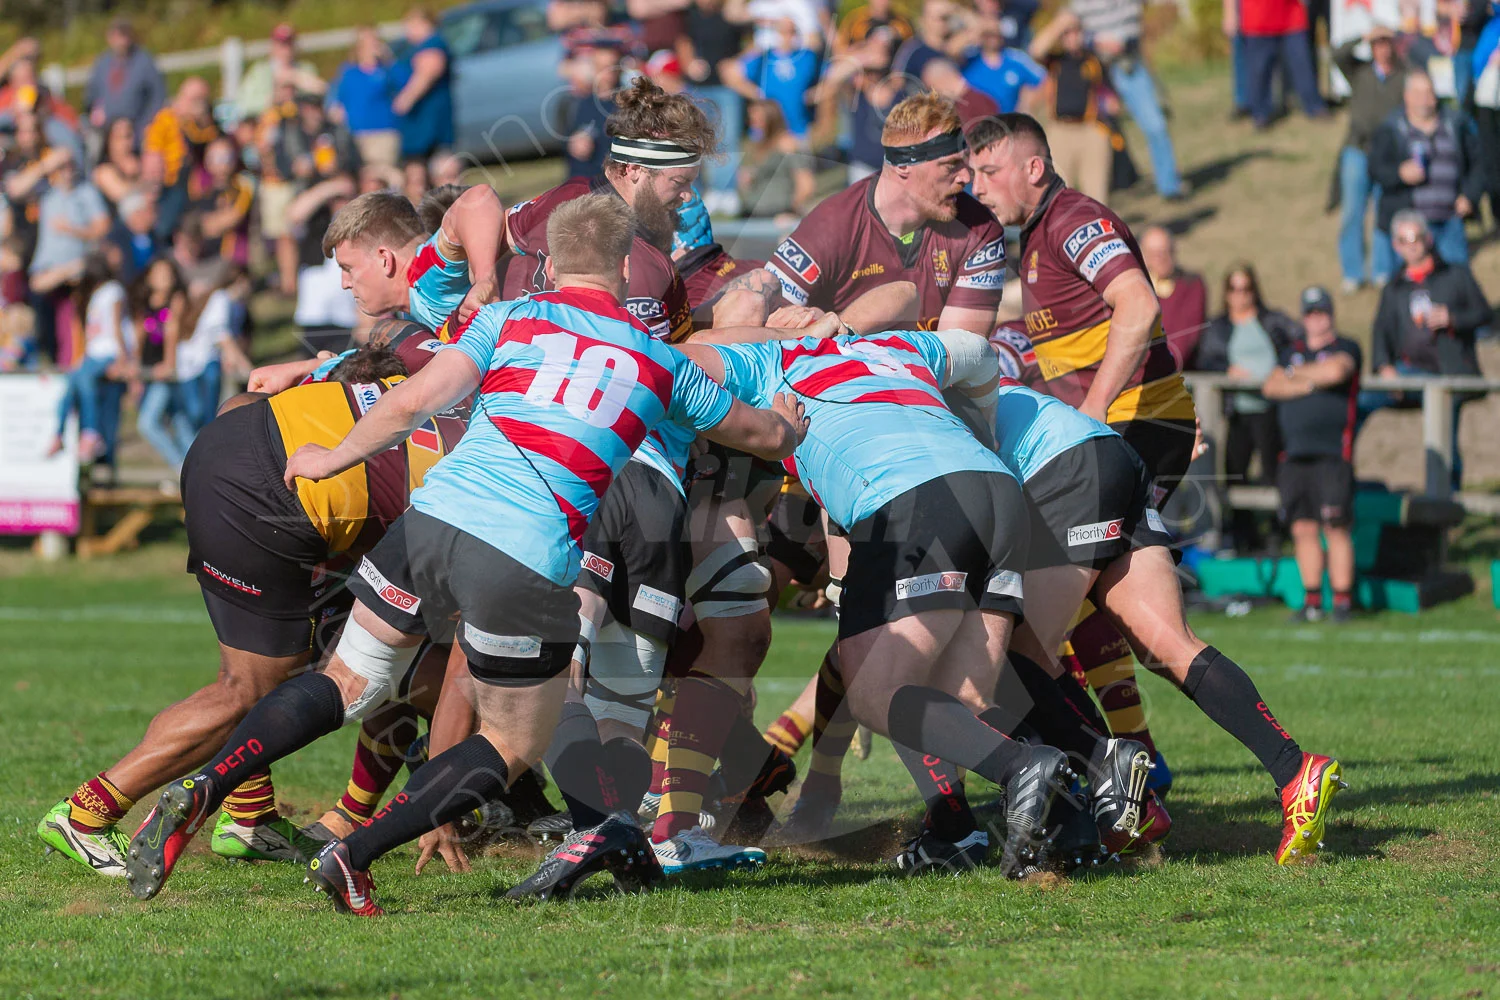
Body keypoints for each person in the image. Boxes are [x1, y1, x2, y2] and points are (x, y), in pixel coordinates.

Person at [127, 193, 803, 910]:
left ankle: (208, 785)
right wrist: (786, 423)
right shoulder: (659, 360)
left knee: (346, 683)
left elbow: (413, 400)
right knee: (514, 740)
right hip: (519, 551)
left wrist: (332, 458)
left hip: (428, 521)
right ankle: (353, 855)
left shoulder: (507, 319)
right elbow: (758, 436)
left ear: (546, 266)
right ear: (625, 275)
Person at [39, 189, 496, 882]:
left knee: (301, 669)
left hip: (249, 456)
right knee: (249, 691)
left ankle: (249, 815)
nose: (344, 284)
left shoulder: (444, 354)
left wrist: (311, 371)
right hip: (269, 492)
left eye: (348, 269)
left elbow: (389, 348)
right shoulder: (480, 410)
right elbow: (460, 667)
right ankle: (86, 812)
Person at [676, 327, 1085, 878]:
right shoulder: (896, 344)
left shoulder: (764, 360)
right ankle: (1079, 803)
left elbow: (670, 357)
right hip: (996, 488)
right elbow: (979, 350)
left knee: (875, 690)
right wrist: (983, 423)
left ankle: (1022, 767)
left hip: (915, 499)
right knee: (961, 700)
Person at [968, 112, 1194, 775]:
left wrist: (1095, 415)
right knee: (1093, 609)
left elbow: (1139, 304)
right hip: (1124, 431)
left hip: (1126, 432)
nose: (980, 186)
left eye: (990, 171)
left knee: (1031, 631)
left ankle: (1105, 771)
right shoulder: (1037, 236)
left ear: (1033, 168)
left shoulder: (1072, 220)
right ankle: (1131, 762)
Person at [764, 92, 1008, 337]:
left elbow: (959, 355)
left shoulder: (980, 231)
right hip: (842, 371)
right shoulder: (832, 224)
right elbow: (768, 323)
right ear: (903, 165)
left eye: (964, 163)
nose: (966, 177)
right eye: (950, 165)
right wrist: (809, 321)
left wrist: (844, 328)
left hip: (926, 373)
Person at [1363, 210, 1493, 490]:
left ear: (1428, 239)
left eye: (1416, 238)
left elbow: (1485, 314)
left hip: (1450, 373)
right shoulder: (1394, 287)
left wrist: (1453, 318)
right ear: (1395, 245)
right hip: (1407, 374)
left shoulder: (1455, 275)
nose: (1411, 245)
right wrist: (1384, 366)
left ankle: (1447, 503)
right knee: (1358, 401)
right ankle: (1337, 478)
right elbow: (1380, 331)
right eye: (1403, 240)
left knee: (1443, 436)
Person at [1262, 287, 1362, 624]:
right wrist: (1309, 381)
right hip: (1293, 454)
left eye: (1321, 312)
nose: (1316, 318)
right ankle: (1313, 600)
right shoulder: (1291, 351)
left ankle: (1344, 601)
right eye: (1310, 313)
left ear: (1331, 314)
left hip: (1333, 453)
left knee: (1335, 526)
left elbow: (1336, 371)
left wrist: (1297, 376)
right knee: (1303, 528)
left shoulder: (1345, 347)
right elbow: (1271, 385)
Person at [1195, 264, 1297, 554]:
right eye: (1235, 288)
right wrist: (1227, 370)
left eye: (1246, 288)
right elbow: (1206, 359)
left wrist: (1282, 370)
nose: (1241, 295)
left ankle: (1277, 532)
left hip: (1270, 407)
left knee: (1272, 471)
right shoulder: (1219, 327)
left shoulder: (1272, 320)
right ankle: (1241, 534)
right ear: (1226, 293)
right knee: (1234, 470)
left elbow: (1296, 345)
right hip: (1238, 408)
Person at [1368, 71, 1484, 269]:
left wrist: (1469, 196)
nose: (1426, 99)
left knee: (1455, 285)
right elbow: (1375, 169)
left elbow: (1479, 164)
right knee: (1411, 289)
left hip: (1450, 221)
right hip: (1411, 227)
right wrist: (1399, 173)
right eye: (1418, 94)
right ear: (1407, 96)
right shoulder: (1391, 129)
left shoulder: (1455, 124)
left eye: (1429, 93)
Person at [1071, 0, 1184, 199]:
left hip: (1129, 66)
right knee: (1100, 133)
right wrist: (1096, 42)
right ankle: (1108, 187)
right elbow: (1071, 30)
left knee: (1155, 125)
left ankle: (1169, 186)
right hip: (1096, 71)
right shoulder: (1081, 4)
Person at [1333, 26, 1409, 291]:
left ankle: (1382, 269)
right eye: (1377, 44)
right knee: (1353, 212)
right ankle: (1353, 272)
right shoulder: (1360, 71)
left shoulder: (1403, 74)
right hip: (1358, 150)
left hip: (1388, 154)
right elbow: (1338, 53)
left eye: (1386, 42)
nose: (1383, 49)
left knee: (1383, 212)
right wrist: (1362, 35)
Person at [27, 148, 111, 366]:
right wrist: (47, 163)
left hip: (75, 273)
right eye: (61, 167)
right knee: (41, 322)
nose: (66, 171)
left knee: (70, 326)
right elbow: (14, 188)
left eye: (69, 165)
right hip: (45, 271)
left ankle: (69, 367)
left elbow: (102, 227)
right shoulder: (46, 193)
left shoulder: (86, 193)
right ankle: (45, 359)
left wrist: (72, 229)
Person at [48, 255, 132, 462]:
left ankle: (91, 432)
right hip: (94, 352)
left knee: (84, 381)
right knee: (69, 385)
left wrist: (123, 358)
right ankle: (58, 433)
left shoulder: (113, 290)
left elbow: (115, 325)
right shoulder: (95, 294)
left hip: (108, 351)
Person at [1028, 10, 1114, 206]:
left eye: (1076, 31)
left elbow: (1109, 89)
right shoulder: (1056, 60)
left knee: (1097, 196)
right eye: (1067, 33)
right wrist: (1060, 23)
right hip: (1060, 130)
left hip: (1091, 129)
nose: (1072, 36)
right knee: (1057, 195)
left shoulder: (1093, 59)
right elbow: (1035, 49)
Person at [679, 0, 751, 214]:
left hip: (727, 88)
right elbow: (683, 42)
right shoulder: (689, 15)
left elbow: (753, 43)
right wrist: (689, 62)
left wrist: (739, 62)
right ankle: (695, 191)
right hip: (696, 88)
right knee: (692, 140)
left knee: (726, 139)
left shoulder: (733, 14)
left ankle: (726, 192)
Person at [130, 256, 190, 474]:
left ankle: (181, 468)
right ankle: (198, 469)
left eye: (168, 274)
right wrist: (135, 372)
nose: (164, 278)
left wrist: (169, 364)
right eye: (159, 274)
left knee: (147, 423)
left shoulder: (176, 299)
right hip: (148, 372)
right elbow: (139, 337)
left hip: (168, 372)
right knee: (179, 421)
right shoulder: (143, 302)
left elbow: (172, 330)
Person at [1228, 0, 1327, 128]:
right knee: (1259, 71)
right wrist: (1230, 13)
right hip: (1258, 17)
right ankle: (1261, 114)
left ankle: (1314, 106)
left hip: (1291, 14)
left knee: (1302, 63)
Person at [142, 77, 218, 240]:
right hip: (170, 184)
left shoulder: (205, 126)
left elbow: (211, 142)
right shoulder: (166, 119)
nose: (195, 106)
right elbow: (153, 155)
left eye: (200, 101)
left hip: (196, 187)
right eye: (192, 100)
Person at [726, 17, 821, 142]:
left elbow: (831, 73)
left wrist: (816, 94)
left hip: (798, 131)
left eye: (792, 32)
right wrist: (758, 94)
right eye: (783, 32)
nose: (787, 37)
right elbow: (730, 75)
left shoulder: (806, 56)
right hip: (766, 130)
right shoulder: (763, 56)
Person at [331, 27, 402, 170]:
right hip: (355, 134)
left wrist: (389, 59)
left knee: (382, 173)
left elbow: (403, 83)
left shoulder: (386, 69)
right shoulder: (349, 72)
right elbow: (337, 98)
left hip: (383, 133)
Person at [390, 8, 454, 161]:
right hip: (419, 118)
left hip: (429, 119)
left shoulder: (432, 44)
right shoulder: (418, 47)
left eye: (410, 27)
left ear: (424, 24)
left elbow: (427, 73)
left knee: (433, 162)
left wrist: (406, 98)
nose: (408, 32)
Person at [84, 18, 165, 139]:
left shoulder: (144, 61)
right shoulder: (102, 63)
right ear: (109, 37)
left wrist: (145, 125)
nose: (122, 41)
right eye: (117, 35)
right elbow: (91, 96)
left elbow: (157, 97)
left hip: (136, 128)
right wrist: (95, 111)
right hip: (105, 130)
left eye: (125, 35)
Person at [1140, 225, 1207, 369]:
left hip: (1178, 375)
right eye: (1154, 254)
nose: (1161, 258)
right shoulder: (1137, 288)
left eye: (1166, 251)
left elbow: (1186, 337)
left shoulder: (1191, 285)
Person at [737, 99, 815, 221]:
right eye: (751, 117)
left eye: (757, 118)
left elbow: (806, 185)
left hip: (777, 213)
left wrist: (791, 212)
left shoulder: (787, 145)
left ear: (770, 117)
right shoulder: (755, 145)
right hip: (751, 212)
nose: (752, 122)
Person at [235, 23, 327, 123]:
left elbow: (323, 91)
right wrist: (273, 98)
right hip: (267, 126)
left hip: (300, 125)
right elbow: (243, 105)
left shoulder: (306, 68)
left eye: (289, 44)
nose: (286, 50)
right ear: (273, 46)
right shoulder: (259, 72)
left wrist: (295, 79)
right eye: (282, 45)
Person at [961, 15, 1046, 114]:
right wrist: (976, 30)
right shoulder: (968, 59)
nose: (993, 38)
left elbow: (1043, 79)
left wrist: (1027, 106)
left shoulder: (1016, 58)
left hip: (1006, 123)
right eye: (988, 34)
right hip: (973, 122)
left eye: (996, 34)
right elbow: (947, 53)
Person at [92, 117, 144, 211]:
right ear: (109, 140)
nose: (125, 143)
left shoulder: (141, 160)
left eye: (128, 136)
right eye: (119, 137)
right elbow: (119, 194)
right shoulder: (103, 170)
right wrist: (138, 178)